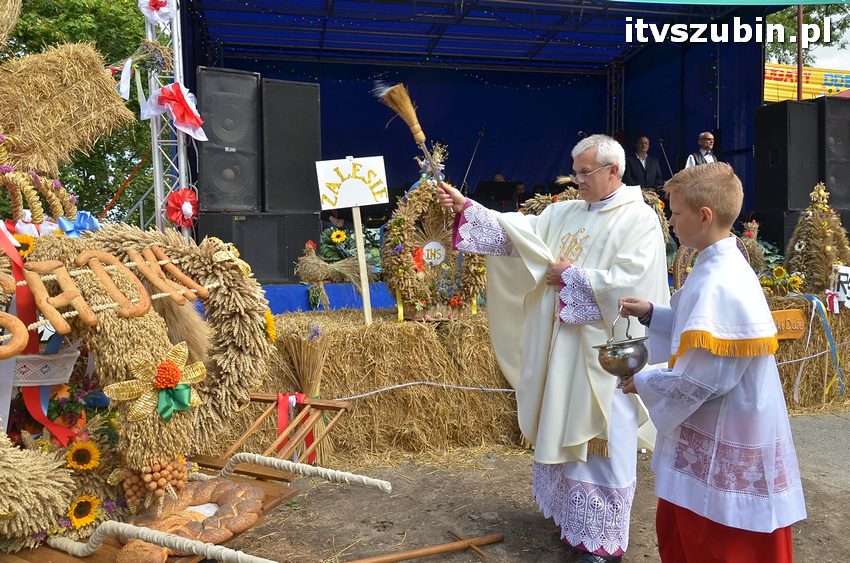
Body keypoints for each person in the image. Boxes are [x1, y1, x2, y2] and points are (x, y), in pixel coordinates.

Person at [436, 134, 669, 563]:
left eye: (585, 173)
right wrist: (468, 207)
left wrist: (574, 276)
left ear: (613, 171)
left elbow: (632, 279)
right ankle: (573, 521)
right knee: (563, 427)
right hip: (563, 345)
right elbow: (519, 236)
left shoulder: (638, 219)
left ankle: (603, 542)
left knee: (603, 439)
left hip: (605, 350)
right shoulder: (565, 212)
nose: (576, 180)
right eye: (575, 171)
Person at [618, 162, 806, 562]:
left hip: (728, 424)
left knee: (719, 543)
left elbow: (705, 377)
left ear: (704, 217)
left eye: (677, 212)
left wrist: (645, 381)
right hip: (725, 419)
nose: (670, 221)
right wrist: (654, 313)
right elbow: (701, 331)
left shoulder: (721, 278)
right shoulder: (716, 261)